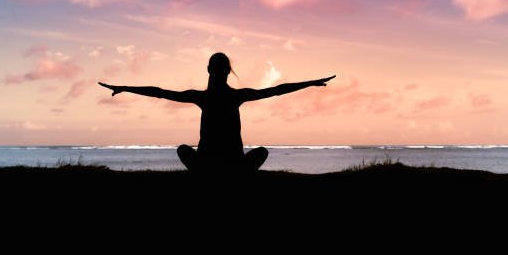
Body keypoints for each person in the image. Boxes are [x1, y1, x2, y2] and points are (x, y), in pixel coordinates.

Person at [99, 52, 335, 173]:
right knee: (260, 153)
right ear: (225, 71)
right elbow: (276, 91)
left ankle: (212, 172)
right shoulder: (228, 96)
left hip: (212, 164)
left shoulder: (208, 96)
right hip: (230, 164)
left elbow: (160, 92)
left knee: (183, 150)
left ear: (211, 69)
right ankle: (229, 173)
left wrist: (311, 83)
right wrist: (124, 87)